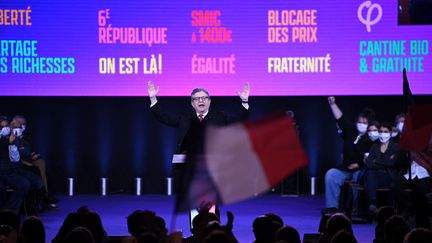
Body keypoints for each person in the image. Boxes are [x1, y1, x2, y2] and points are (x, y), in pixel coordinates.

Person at [148, 80, 250, 153]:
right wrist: (153, 98)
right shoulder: (185, 119)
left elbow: (239, 121)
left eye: (204, 98)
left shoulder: (220, 117)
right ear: (192, 104)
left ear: (209, 102)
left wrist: (245, 101)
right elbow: (163, 117)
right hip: (190, 166)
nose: (201, 101)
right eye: (197, 99)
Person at [324, 97, 375, 211]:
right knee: (331, 175)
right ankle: (332, 207)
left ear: (369, 124)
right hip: (346, 168)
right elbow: (340, 118)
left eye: (364, 123)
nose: (361, 124)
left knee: (357, 178)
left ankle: (355, 208)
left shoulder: (371, 137)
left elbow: (372, 157)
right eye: (359, 122)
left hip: (361, 169)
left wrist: (359, 165)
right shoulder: (350, 130)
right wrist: (333, 104)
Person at [0, 116, 43, 214]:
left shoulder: (12, 138)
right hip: (5, 171)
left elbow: (15, 158)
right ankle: (9, 211)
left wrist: (12, 143)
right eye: (2, 127)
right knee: (25, 184)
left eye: (6, 126)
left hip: (16, 168)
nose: (5, 128)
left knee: (37, 182)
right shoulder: (4, 140)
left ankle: (29, 207)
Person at [363, 122, 400, 214]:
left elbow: (392, 163)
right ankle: (373, 203)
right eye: (381, 131)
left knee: (369, 178)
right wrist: (384, 162)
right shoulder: (375, 146)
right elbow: (368, 163)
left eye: (386, 131)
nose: (383, 134)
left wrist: (376, 160)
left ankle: (372, 205)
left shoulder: (396, 147)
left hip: (388, 175)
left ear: (390, 133)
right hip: (375, 175)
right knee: (370, 173)